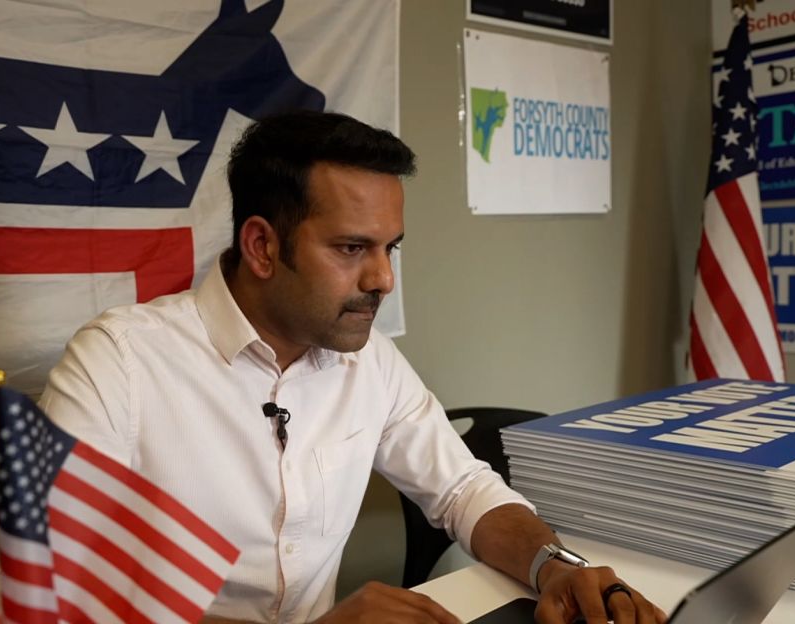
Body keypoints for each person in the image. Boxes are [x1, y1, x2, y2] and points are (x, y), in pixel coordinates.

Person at [39, 110, 666, 624]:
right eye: (351, 248)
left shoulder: (366, 359)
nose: (384, 278)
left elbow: (463, 490)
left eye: (389, 248)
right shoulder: (117, 362)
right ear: (262, 246)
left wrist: (552, 566)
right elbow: (39, 595)